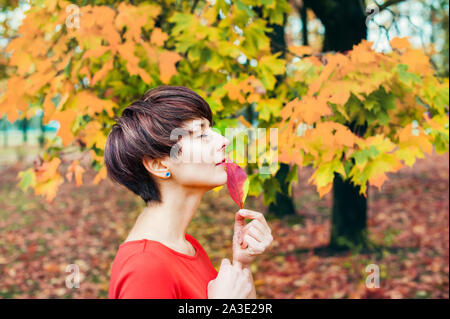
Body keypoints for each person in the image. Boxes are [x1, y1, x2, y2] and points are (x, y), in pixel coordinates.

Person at [105, 86, 273, 299]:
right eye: (202, 135)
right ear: (158, 165)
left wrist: (241, 266)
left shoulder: (186, 246)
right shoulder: (145, 267)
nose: (223, 141)